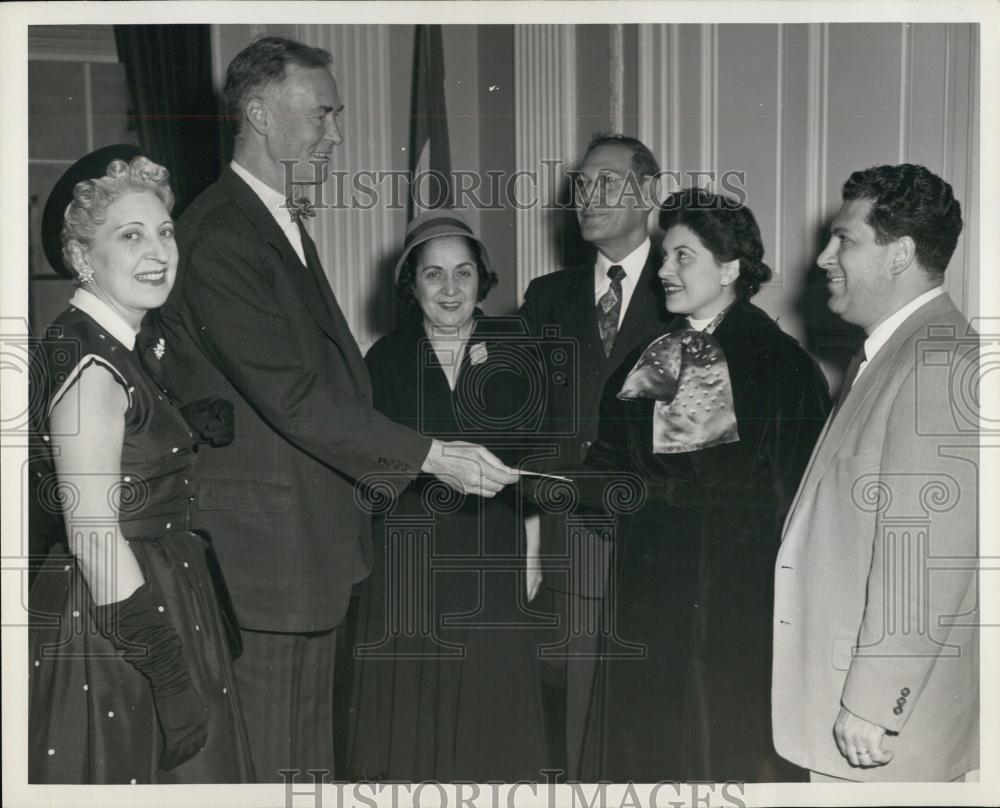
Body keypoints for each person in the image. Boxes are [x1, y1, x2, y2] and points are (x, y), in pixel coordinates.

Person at [155, 37, 517, 782]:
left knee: (305, 765)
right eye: (322, 115)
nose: (336, 135)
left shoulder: (270, 222)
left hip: (304, 553)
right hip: (268, 562)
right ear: (258, 114)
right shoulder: (222, 233)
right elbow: (292, 394)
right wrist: (432, 453)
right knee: (275, 766)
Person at [553, 187, 831, 782]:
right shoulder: (654, 355)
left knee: (714, 752)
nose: (664, 270)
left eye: (684, 256)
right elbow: (616, 467)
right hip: (646, 591)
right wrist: (552, 483)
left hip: (731, 602)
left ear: (730, 268)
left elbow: (797, 503)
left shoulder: (779, 363)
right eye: (664, 256)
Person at [28, 146, 253, 783]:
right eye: (130, 236)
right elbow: (95, 537)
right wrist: (169, 673)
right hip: (120, 620)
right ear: (80, 256)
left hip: (155, 591)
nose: (158, 252)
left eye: (164, 231)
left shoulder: (114, 342)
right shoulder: (93, 369)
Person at [772, 164, 979, 782]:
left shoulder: (937, 360)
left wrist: (872, 702)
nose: (824, 258)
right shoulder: (897, 352)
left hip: (879, 737)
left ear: (901, 254)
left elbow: (924, 550)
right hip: (852, 721)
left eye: (845, 240)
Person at [347, 210, 549, 781]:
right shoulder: (383, 360)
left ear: (481, 279)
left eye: (463, 272)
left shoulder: (518, 349)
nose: (450, 288)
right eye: (433, 275)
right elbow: (368, 467)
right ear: (411, 285)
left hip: (493, 554)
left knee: (493, 712)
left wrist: (534, 544)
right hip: (411, 559)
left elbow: (535, 461)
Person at [517, 133, 671, 776]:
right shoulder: (545, 297)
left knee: (649, 714)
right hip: (564, 536)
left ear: (649, 194)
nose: (588, 196)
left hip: (654, 537)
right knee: (570, 708)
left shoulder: (685, 285)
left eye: (607, 182)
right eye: (582, 184)